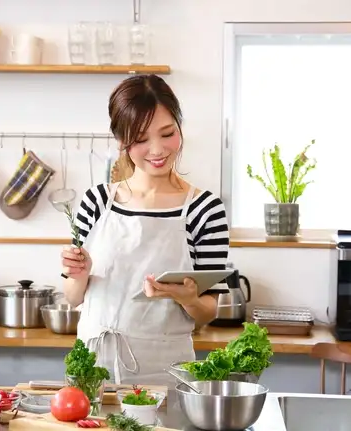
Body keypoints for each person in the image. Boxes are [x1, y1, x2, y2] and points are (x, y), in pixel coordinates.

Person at [60, 74, 230, 387]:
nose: (157, 150)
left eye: (167, 134)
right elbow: (72, 297)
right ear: (121, 141)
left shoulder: (205, 209)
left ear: (180, 126)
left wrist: (190, 298)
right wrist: (79, 272)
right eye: (140, 139)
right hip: (92, 370)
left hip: (165, 372)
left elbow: (207, 311)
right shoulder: (97, 201)